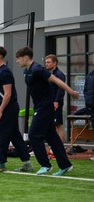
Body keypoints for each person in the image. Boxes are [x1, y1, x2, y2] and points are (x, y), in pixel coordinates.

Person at [15, 46, 79, 176]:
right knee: (52, 137)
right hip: (39, 106)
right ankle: (65, 165)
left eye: (18, 59)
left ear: (26, 57)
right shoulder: (26, 71)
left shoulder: (38, 69)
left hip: (45, 107)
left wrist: (71, 92)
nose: (17, 61)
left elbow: (56, 80)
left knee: (33, 135)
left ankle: (45, 165)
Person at [0, 47, 32, 172]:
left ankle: (1, 163)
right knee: (15, 136)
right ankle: (27, 163)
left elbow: (8, 94)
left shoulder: (5, 72)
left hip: (9, 108)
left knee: (0, 134)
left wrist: (0, 111)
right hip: (7, 107)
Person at [70, 55, 94, 154]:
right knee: (73, 116)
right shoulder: (90, 75)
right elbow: (85, 90)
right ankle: (73, 145)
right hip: (89, 107)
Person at [45, 54, 66, 145]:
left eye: (48, 62)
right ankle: (52, 148)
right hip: (48, 103)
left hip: (55, 103)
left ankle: (60, 148)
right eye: (46, 62)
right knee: (49, 125)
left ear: (55, 63)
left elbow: (61, 89)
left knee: (58, 125)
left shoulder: (59, 74)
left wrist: (56, 101)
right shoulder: (48, 74)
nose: (46, 64)